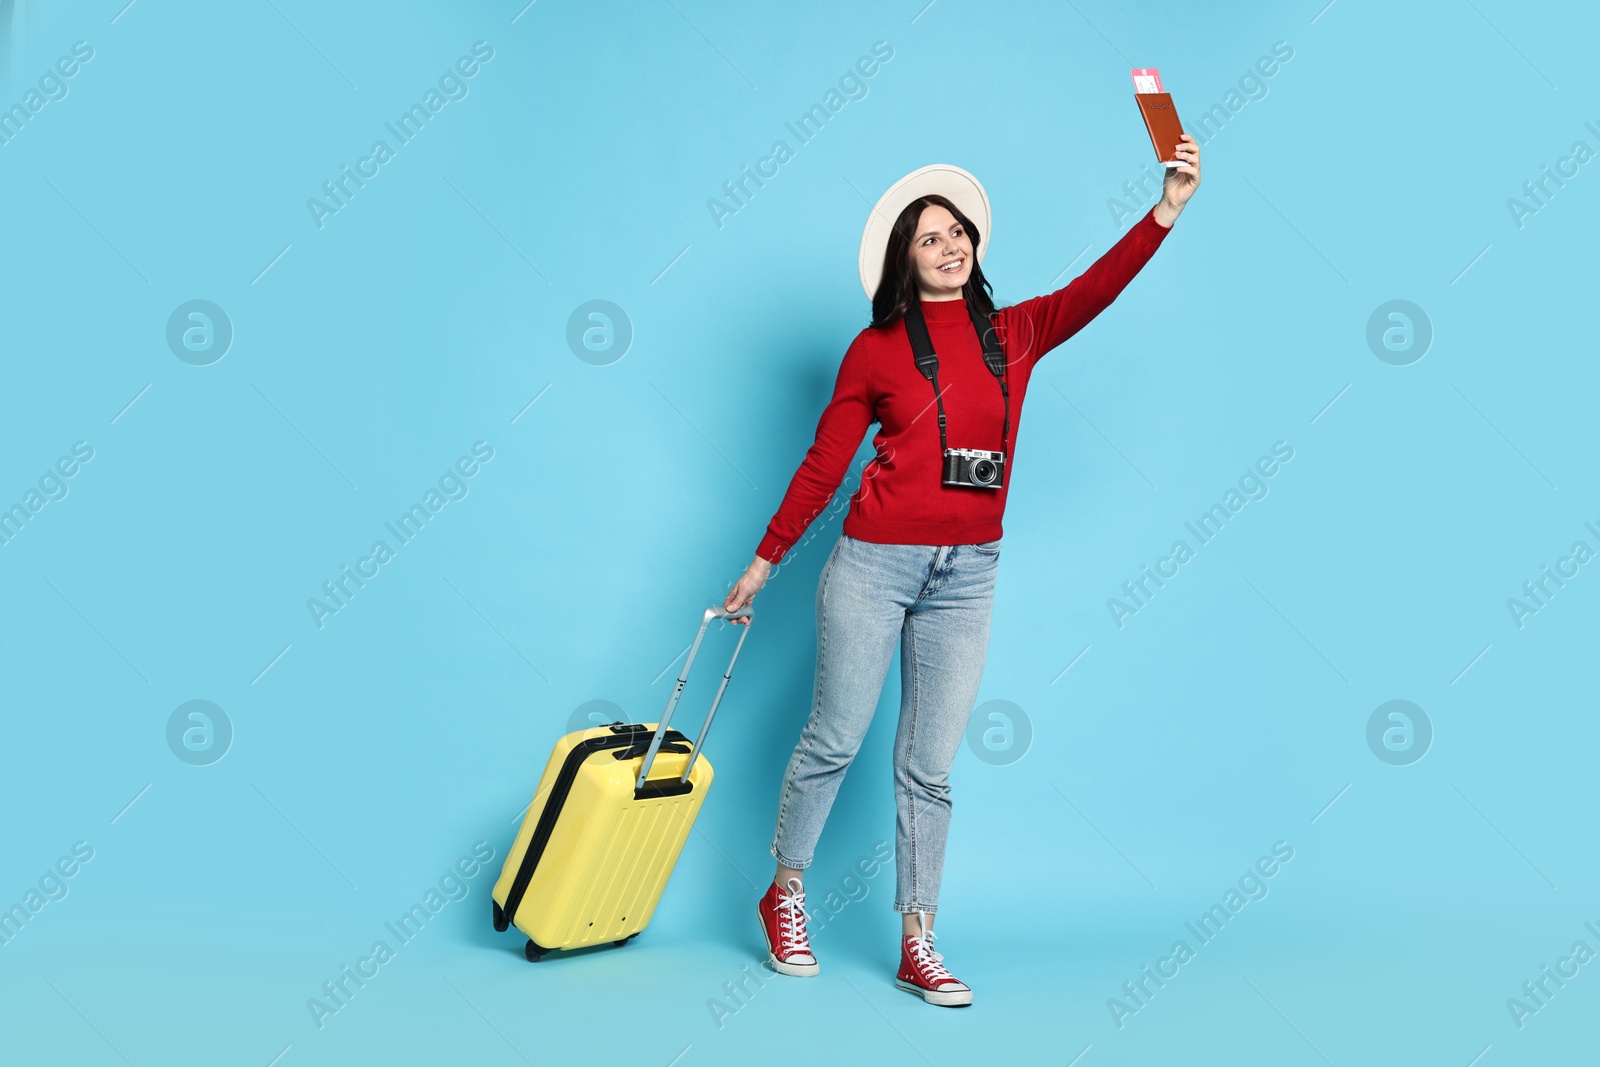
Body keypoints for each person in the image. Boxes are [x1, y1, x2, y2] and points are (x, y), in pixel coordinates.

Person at [724, 137, 1201, 1007]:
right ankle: (784, 892)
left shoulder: (1014, 332)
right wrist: (764, 561)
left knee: (929, 766)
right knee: (834, 739)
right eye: (929, 237)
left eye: (958, 233)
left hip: (969, 573)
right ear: (904, 260)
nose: (950, 246)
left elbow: (1097, 288)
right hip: (872, 564)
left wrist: (1165, 206)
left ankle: (919, 941)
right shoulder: (873, 351)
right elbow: (824, 464)